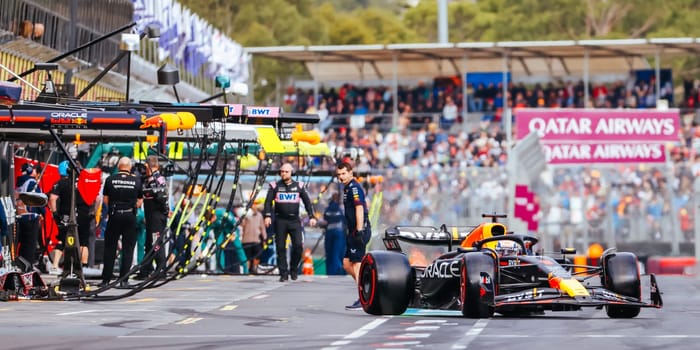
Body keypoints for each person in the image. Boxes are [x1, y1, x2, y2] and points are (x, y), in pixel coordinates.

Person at [263, 163, 317, 282]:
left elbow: (308, 202)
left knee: (298, 246)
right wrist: (267, 216)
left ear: (292, 172)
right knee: (280, 248)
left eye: (286, 172)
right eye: (282, 171)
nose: (284, 174)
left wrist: (311, 216)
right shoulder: (274, 186)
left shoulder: (299, 186)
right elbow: (267, 202)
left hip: (294, 221)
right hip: (280, 221)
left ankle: (293, 269)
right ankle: (283, 273)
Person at [100, 157, 142, 287]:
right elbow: (139, 202)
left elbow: (105, 200)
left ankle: (106, 280)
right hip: (130, 216)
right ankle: (124, 280)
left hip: (114, 215)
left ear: (119, 167)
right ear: (129, 167)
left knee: (110, 248)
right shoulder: (136, 181)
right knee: (128, 249)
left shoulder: (110, 180)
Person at [336, 161, 371, 310]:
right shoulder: (347, 188)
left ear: (351, 173)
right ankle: (366, 284)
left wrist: (359, 230)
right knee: (346, 263)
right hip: (352, 232)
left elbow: (359, 208)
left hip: (358, 231)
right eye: (339, 175)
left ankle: (363, 296)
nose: (341, 177)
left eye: (344, 173)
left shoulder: (354, 188)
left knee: (357, 264)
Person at [48, 160, 92, 271]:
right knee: (83, 242)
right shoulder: (85, 181)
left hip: (66, 215)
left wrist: (54, 213)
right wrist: (93, 213)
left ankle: (55, 266)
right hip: (83, 215)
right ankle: (83, 267)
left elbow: (52, 198)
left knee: (63, 239)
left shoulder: (61, 182)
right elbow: (97, 198)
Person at [136, 155, 168, 280]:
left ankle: (161, 269)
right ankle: (146, 269)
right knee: (149, 244)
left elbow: (161, 197)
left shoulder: (158, 179)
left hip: (156, 217)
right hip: (150, 216)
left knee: (156, 243)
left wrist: (150, 191)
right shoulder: (148, 179)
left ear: (147, 166)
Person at [14, 162, 43, 270]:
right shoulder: (32, 182)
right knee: (30, 245)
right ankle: (28, 266)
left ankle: (21, 264)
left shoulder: (19, 182)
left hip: (20, 216)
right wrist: (42, 213)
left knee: (22, 243)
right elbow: (38, 199)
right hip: (31, 216)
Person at [323, 192, 346, 275]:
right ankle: (340, 271)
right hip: (339, 233)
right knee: (338, 254)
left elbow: (325, 218)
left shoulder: (328, 208)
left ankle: (330, 272)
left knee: (329, 254)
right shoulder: (341, 208)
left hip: (329, 232)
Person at [241, 200, 267, 274]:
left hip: (256, 240)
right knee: (248, 256)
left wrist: (264, 238)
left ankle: (255, 268)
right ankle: (247, 270)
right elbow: (242, 226)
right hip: (246, 239)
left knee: (257, 255)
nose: (254, 207)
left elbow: (262, 228)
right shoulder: (246, 215)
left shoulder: (259, 215)